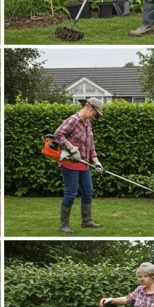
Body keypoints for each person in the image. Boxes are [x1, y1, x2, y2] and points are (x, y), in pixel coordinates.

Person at [53, 97, 104, 233]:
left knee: (88, 191)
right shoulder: (73, 120)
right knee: (71, 193)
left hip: (84, 163)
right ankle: (64, 226)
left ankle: (86, 221)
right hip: (70, 162)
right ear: (88, 107)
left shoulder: (87, 123)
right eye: (95, 113)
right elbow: (58, 135)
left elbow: (91, 145)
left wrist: (97, 162)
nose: (95, 116)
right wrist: (71, 148)